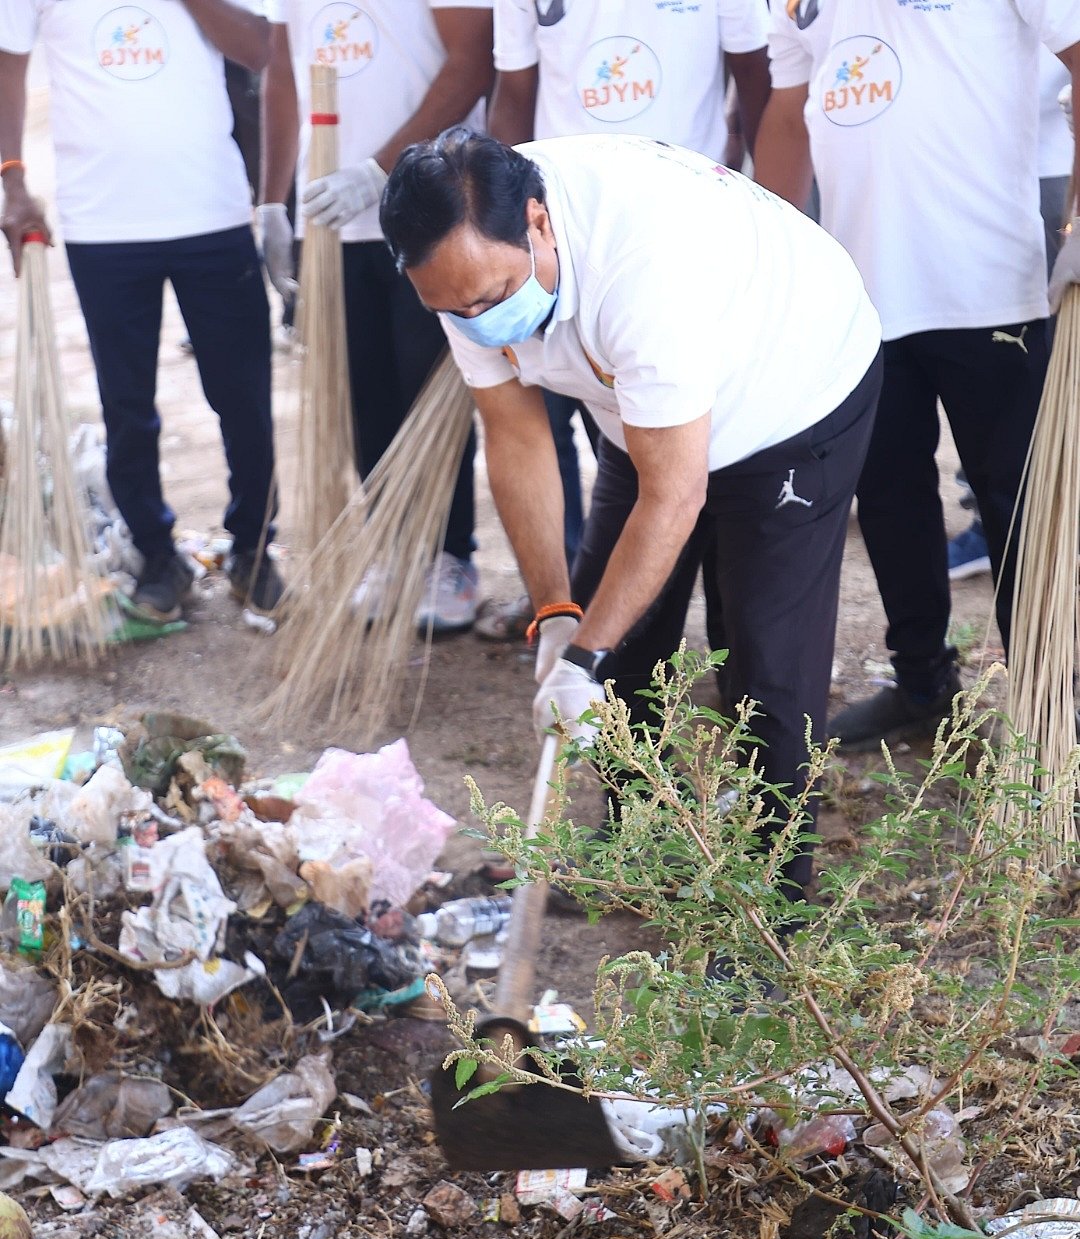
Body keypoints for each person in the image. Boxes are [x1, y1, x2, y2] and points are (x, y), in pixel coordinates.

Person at [380, 129, 882, 899]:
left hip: (791, 390)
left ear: (539, 222)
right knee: (617, 643)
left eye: (491, 297)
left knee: (765, 656)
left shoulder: (643, 265)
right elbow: (516, 437)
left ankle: (770, 904)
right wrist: (559, 616)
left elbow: (674, 494)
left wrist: (584, 655)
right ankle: (635, 849)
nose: (475, 318)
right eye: (452, 307)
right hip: (643, 408)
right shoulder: (459, 262)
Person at [755, 2, 1080, 751]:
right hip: (861, 294)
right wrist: (773, 254)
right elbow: (787, 112)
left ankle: (1049, 701)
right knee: (888, 497)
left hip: (989, 286)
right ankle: (923, 683)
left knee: (1016, 501)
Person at [478, 0, 772, 643]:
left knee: (695, 451)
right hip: (557, 242)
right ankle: (583, 613)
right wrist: (495, 228)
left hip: (681, 245)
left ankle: (732, 643)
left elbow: (754, 79)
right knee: (618, 449)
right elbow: (515, 91)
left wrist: (772, 208)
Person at [0, 0, 281, 624]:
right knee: (126, 405)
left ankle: (254, 549)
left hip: (212, 212)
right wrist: (12, 181)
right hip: (102, 223)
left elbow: (261, 46)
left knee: (243, 396)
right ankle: (157, 556)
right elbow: (7, 65)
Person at [258, 0, 493, 635]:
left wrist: (380, 169)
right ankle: (392, 548)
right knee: (363, 398)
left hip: (429, 206)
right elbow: (282, 71)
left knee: (430, 393)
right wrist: (272, 200)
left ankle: (449, 558)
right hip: (330, 215)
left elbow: (473, 60)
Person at [948, 49, 1075, 584]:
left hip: (1045, 168)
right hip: (984, 166)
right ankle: (1000, 521)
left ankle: (1034, 528)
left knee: (1041, 364)